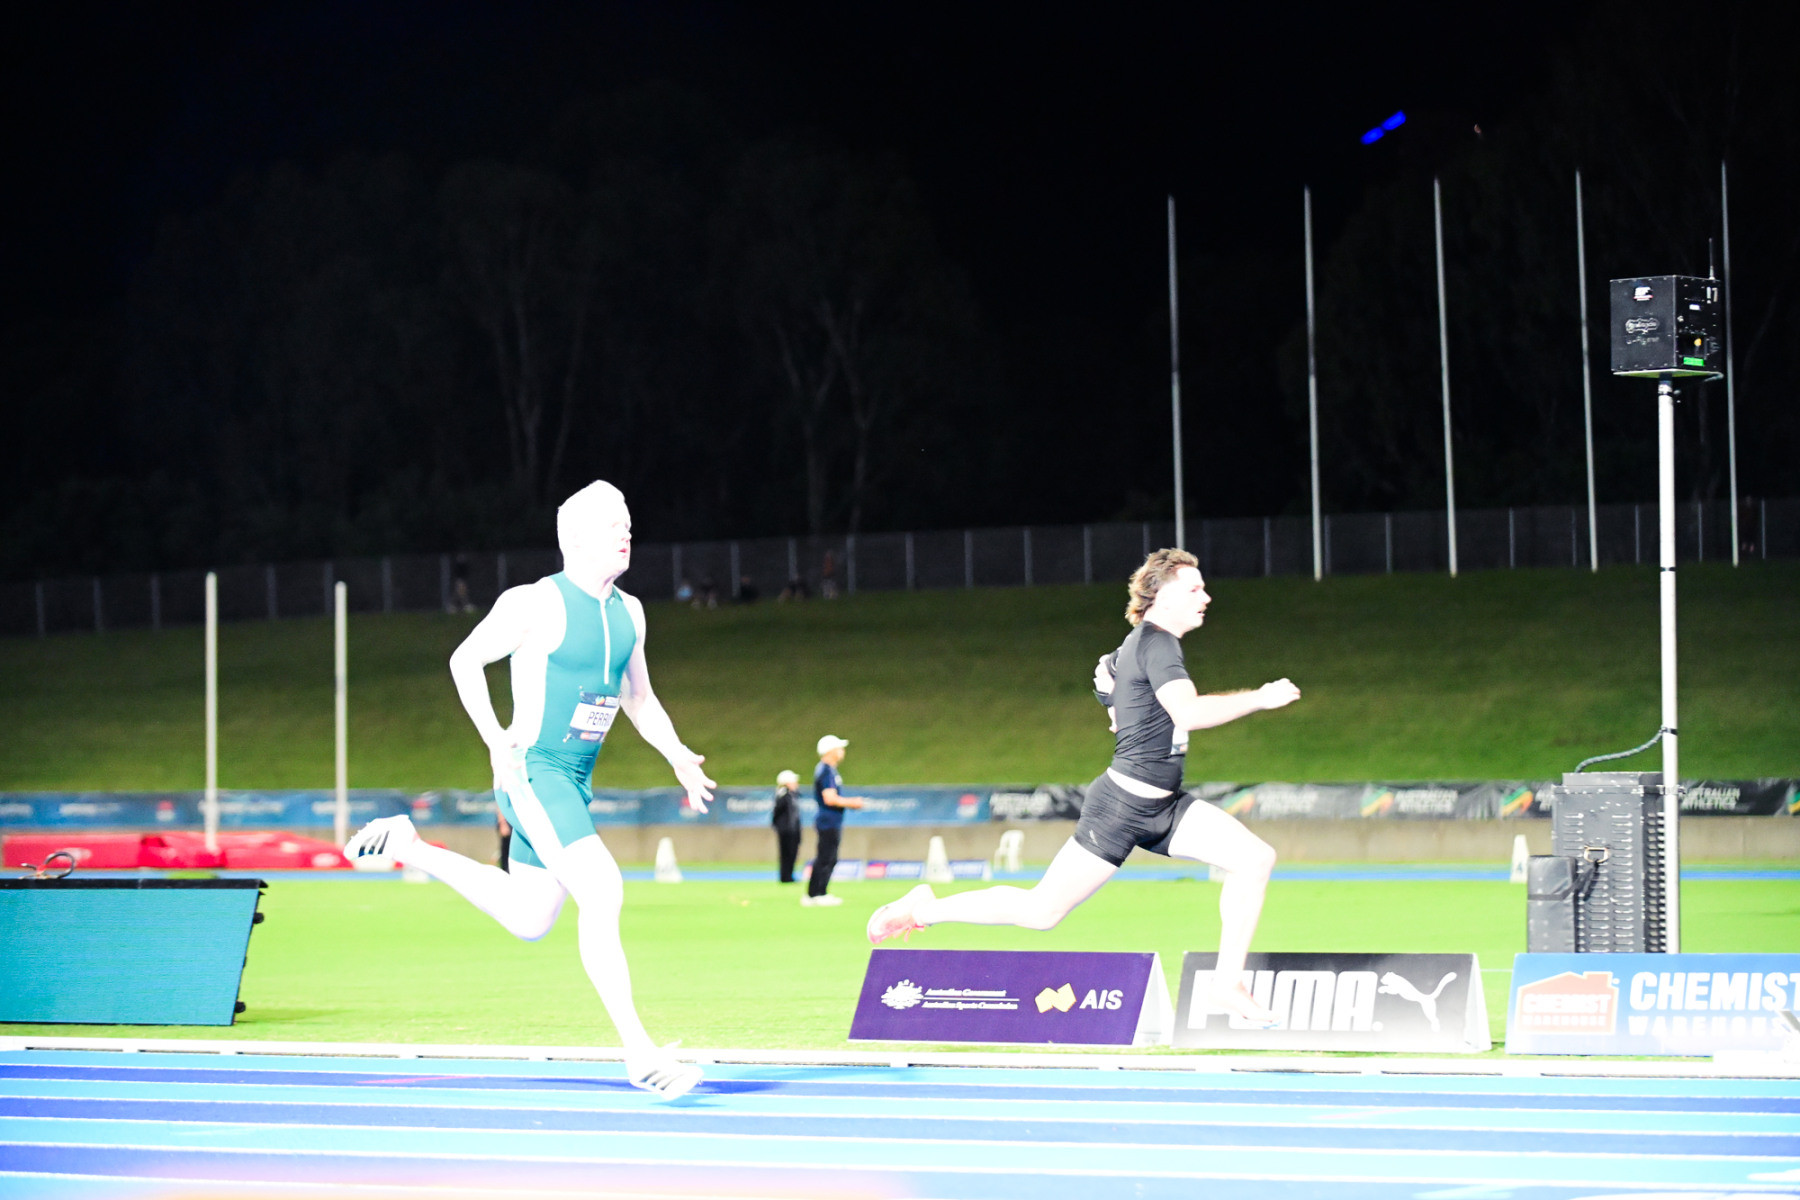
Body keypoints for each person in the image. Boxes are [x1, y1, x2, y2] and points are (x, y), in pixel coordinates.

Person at [343, 480, 716, 1099]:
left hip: (573, 781)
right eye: (613, 523)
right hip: (533, 772)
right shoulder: (534, 603)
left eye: (628, 519)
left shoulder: (631, 613)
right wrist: (496, 739)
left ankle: (410, 847)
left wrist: (677, 754)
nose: (627, 530)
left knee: (529, 916)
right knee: (602, 887)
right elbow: (464, 661)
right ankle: (639, 1053)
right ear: (574, 538)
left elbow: (639, 697)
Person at [865, 549, 1300, 1026]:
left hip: (1166, 807)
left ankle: (1227, 985)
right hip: (1120, 809)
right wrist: (1261, 697)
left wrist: (1112, 701)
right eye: (1194, 589)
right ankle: (925, 909)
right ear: (1162, 596)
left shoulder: (1140, 644)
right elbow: (1189, 712)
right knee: (1041, 912)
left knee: (1254, 859)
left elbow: (1105, 671)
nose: (1206, 597)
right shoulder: (1157, 644)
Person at [805, 734, 867, 906]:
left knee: (828, 857)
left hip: (831, 820)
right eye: (839, 748)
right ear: (830, 751)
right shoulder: (826, 770)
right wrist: (852, 802)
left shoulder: (828, 770)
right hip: (828, 820)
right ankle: (816, 894)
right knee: (826, 857)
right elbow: (830, 798)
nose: (842, 751)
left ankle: (818, 893)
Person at [772, 769, 803, 883]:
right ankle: (785, 876)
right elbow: (777, 813)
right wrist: (780, 827)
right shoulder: (783, 795)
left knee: (793, 852)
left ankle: (789, 875)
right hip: (786, 829)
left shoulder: (793, 795)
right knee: (786, 853)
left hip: (793, 829)